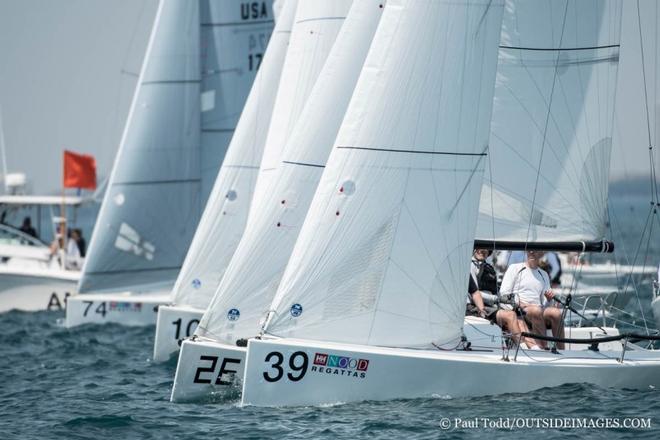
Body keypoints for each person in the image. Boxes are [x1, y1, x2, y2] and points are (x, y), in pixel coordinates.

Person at [466, 248, 536, 349]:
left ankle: (534, 349)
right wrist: (497, 299)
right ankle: (522, 349)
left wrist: (511, 302)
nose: (483, 250)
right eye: (479, 247)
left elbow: (496, 292)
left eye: (486, 249)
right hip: (474, 306)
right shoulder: (470, 266)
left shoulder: (489, 268)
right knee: (510, 316)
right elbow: (474, 293)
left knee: (520, 321)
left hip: (490, 306)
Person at [499, 250, 565, 349]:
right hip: (520, 309)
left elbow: (544, 303)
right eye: (529, 250)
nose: (531, 252)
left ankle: (562, 349)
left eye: (535, 250)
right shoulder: (514, 268)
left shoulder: (544, 274)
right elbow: (504, 294)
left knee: (556, 313)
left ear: (541, 253)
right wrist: (520, 304)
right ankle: (542, 347)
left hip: (537, 309)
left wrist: (548, 299)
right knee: (536, 310)